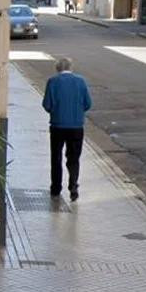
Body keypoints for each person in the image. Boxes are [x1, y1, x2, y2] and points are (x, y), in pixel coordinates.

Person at [42, 57, 92, 201]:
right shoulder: (81, 81)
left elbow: (47, 104)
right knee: (74, 158)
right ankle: (73, 184)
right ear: (71, 68)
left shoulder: (53, 82)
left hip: (57, 126)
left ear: (57, 68)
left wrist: (56, 111)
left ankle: (56, 187)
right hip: (76, 127)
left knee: (56, 157)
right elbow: (88, 103)